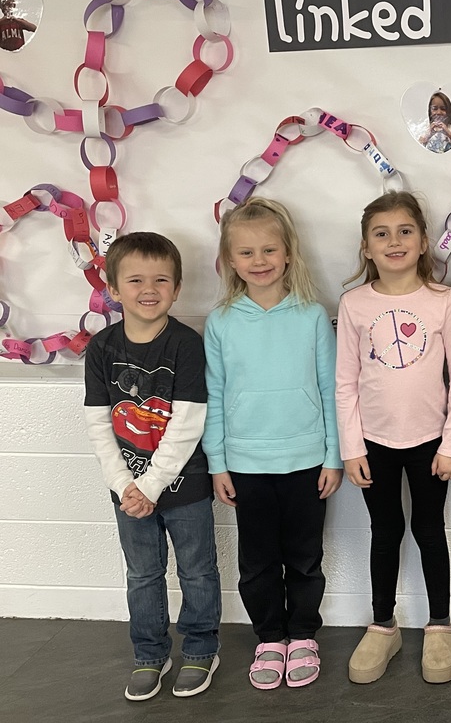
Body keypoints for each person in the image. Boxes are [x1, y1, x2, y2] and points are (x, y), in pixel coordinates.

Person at [203, 197, 342, 690]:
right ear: (231, 260)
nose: (258, 261)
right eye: (246, 253)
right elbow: (215, 395)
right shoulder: (220, 322)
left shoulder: (311, 316)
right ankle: (269, 637)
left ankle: (302, 633)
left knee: (304, 555)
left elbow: (331, 388)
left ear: (288, 253)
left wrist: (334, 455)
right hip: (245, 462)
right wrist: (217, 464)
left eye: (268, 250)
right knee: (258, 558)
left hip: (307, 460)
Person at [336, 190, 451, 685]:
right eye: (381, 233)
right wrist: (351, 448)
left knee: (430, 530)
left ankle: (439, 624)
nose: (394, 241)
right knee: (385, 530)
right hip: (374, 445)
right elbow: (344, 382)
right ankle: (383, 624)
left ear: (423, 243)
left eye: (405, 231)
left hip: (431, 443)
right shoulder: (354, 305)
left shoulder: (443, 301)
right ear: (366, 248)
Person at [83, 232, 221, 701]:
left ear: (177, 287)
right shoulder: (101, 349)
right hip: (128, 495)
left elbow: (187, 423)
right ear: (113, 289)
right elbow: (100, 425)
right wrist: (126, 486)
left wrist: (153, 484)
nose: (149, 288)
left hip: (185, 488)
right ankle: (149, 655)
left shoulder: (186, 345)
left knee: (197, 571)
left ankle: (201, 649)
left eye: (161, 279)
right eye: (136, 279)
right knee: (142, 574)